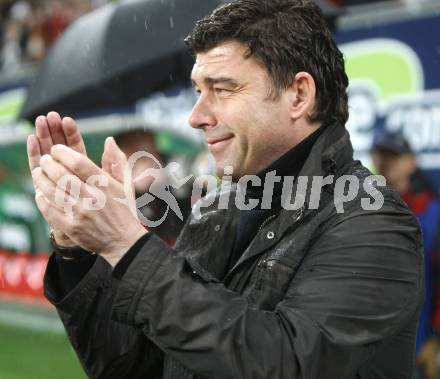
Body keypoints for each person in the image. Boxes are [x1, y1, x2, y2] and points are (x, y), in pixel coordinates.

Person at [27, 1, 423, 378]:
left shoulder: (373, 222)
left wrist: (128, 249)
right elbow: (131, 368)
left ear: (299, 94)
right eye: (199, 90)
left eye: (223, 89)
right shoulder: (214, 211)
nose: (197, 117)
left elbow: (285, 365)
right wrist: (76, 248)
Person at [371, 131, 440, 379]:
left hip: (416, 345)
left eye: (395, 155)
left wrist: (435, 339)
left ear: (412, 162)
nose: (387, 161)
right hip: (366, 345)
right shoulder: (361, 211)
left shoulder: (433, 213)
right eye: (381, 154)